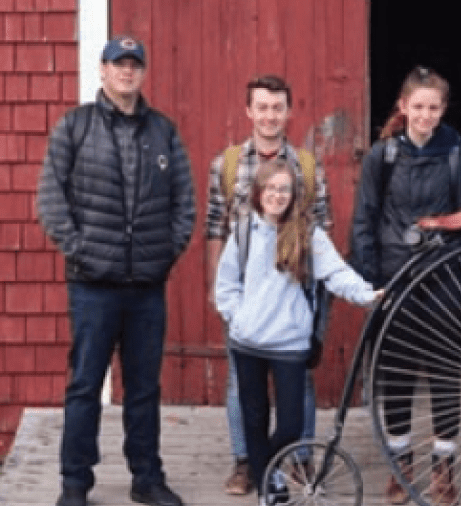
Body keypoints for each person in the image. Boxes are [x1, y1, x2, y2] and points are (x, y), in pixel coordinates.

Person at [37, 36, 195, 506]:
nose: (127, 72)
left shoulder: (163, 132)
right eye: (118, 64)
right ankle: (74, 482)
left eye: (134, 65)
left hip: (146, 287)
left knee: (144, 389)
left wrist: (163, 255)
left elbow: (184, 204)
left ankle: (147, 478)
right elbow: (51, 199)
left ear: (143, 73)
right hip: (93, 286)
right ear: (102, 70)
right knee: (85, 385)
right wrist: (81, 251)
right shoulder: (75, 127)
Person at [215, 159, 381, 506]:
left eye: (284, 190)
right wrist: (239, 318)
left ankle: (267, 470)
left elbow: (337, 273)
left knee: (290, 426)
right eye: (271, 188)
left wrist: (367, 294)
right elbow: (226, 284)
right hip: (247, 342)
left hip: (289, 342)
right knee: (254, 419)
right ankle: (269, 491)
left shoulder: (309, 234)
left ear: (294, 195)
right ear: (259, 192)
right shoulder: (243, 233)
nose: (277, 196)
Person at [350, 66, 461, 506]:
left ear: (443, 109)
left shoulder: (454, 151)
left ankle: (444, 467)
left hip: (442, 275)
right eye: (418, 106)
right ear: (404, 106)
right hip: (395, 276)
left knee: (444, 373)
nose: (425, 115)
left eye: (433, 107)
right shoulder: (383, 156)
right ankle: (401, 463)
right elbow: (364, 220)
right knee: (398, 373)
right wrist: (368, 282)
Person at [205, 74, 333, 496]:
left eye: (277, 107)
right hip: (246, 296)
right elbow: (215, 228)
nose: (269, 115)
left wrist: (321, 295)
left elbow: (323, 230)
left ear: (288, 112)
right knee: (241, 383)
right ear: (249, 111)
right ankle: (246, 461)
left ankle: (298, 458)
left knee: (300, 379)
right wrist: (219, 290)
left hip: (294, 292)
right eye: (261, 107)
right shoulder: (226, 164)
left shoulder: (307, 166)